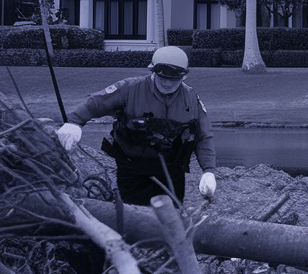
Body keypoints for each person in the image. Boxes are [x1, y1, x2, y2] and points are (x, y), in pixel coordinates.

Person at [56, 46, 217, 205]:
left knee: (171, 215)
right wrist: (74, 122)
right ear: (152, 71)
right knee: (135, 216)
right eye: (162, 77)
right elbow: (96, 103)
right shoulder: (130, 88)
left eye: (173, 79)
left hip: (172, 170)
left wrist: (208, 171)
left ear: (184, 77)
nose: (168, 83)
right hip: (132, 168)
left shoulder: (190, 98)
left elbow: (203, 135)